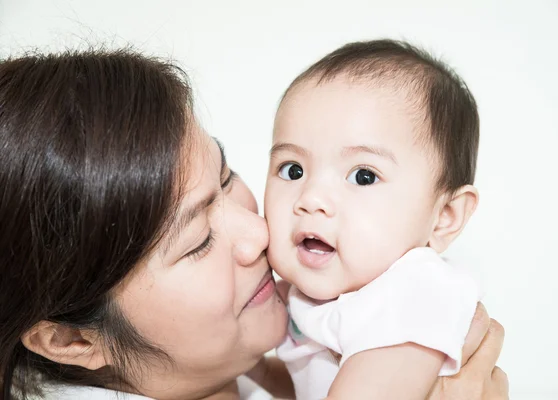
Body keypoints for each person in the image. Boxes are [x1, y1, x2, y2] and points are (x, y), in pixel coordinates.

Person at [0, 49, 507, 399]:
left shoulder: (412, 290)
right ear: (72, 340)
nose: (258, 231)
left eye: (227, 179)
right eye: (196, 241)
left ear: (445, 216)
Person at [265, 39, 487, 399]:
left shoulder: (415, 291)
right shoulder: (302, 295)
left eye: (363, 176)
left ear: (444, 217)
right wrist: (256, 369)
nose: (311, 199)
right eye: (293, 170)